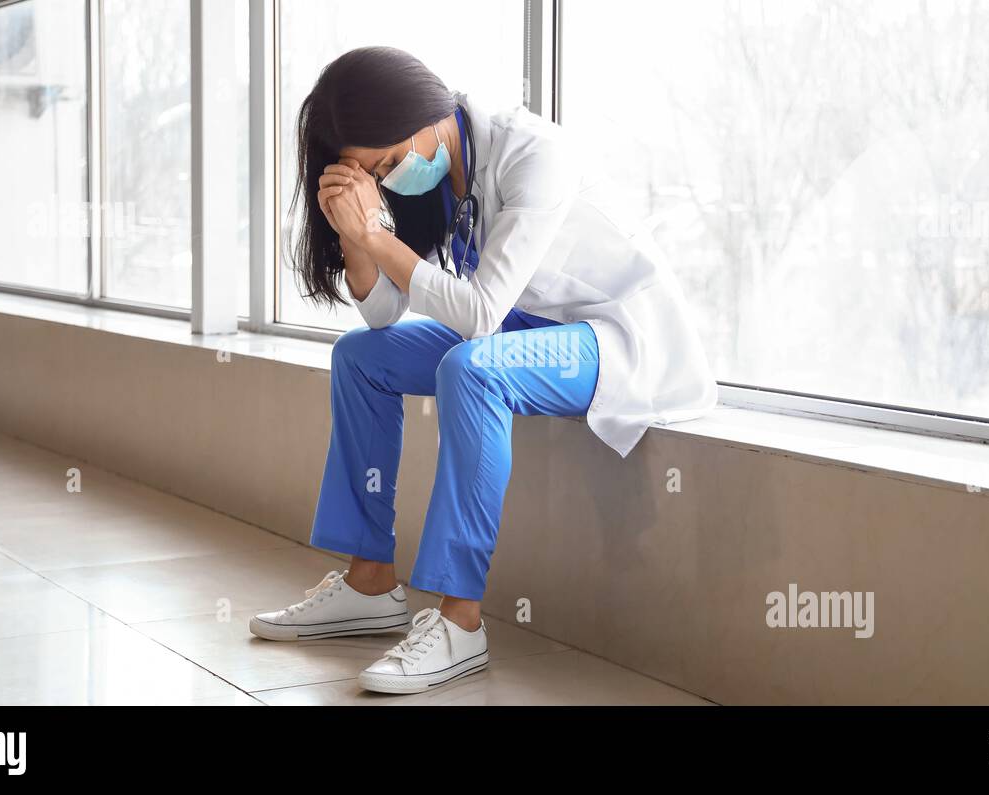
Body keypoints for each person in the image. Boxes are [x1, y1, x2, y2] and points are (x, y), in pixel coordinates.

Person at [249, 46, 715, 694]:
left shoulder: (533, 155)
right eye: (370, 174)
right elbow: (382, 318)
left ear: (425, 113)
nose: (386, 180)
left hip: (615, 333)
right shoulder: (433, 175)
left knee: (473, 369)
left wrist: (380, 238)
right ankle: (370, 580)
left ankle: (460, 619)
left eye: (386, 163)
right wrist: (358, 237)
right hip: (527, 327)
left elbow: (478, 314)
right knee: (360, 359)